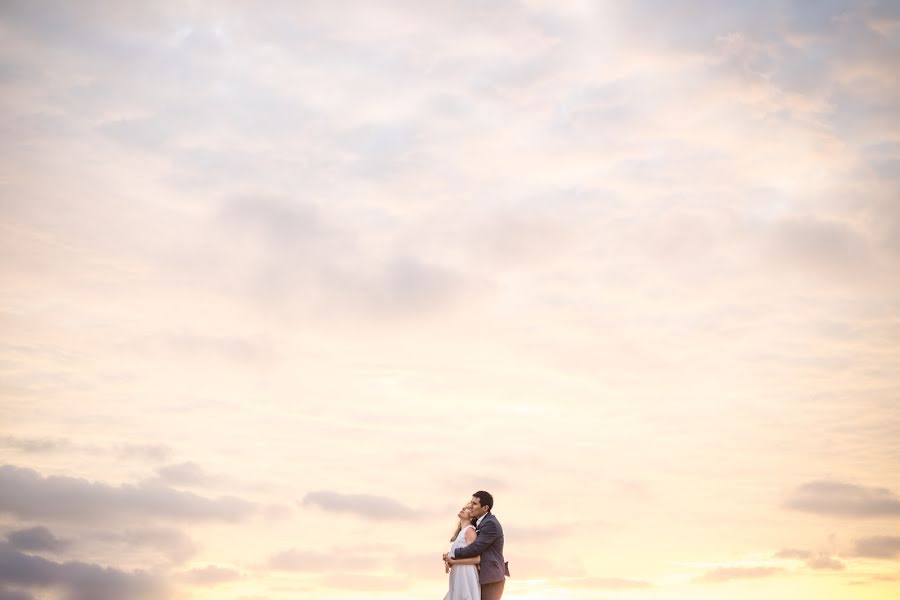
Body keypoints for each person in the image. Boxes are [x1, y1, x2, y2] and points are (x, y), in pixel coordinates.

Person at [445, 491, 509, 600]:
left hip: (491, 578)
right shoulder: (479, 523)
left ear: (485, 508)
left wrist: (452, 554)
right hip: (482, 576)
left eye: (474, 504)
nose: (470, 506)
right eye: (471, 502)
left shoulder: (490, 524)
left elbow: (475, 548)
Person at [443, 504, 481, 600]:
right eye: (464, 507)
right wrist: (449, 560)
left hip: (466, 574)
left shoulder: (469, 531)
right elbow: (463, 554)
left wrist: (453, 561)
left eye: (468, 508)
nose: (463, 508)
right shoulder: (462, 532)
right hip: (458, 573)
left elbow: (477, 559)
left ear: (472, 515)